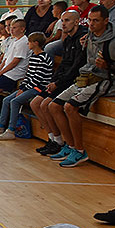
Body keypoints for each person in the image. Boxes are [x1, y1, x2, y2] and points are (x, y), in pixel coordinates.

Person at [47, 5, 115, 167]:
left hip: (105, 80)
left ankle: (80, 151)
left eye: (96, 21)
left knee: (69, 107)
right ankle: (70, 146)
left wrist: (109, 66)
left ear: (106, 21)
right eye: (89, 20)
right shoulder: (89, 35)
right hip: (86, 77)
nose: (92, 24)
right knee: (53, 106)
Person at [33, 11, 85, 156]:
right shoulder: (67, 40)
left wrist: (58, 83)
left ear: (76, 22)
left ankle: (65, 143)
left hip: (72, 80)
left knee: (48, 105)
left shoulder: (82, 39)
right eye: (62, 21)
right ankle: (54, 139)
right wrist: (53, 81)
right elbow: (63, 64)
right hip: (61, 79)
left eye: (67, 20)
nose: (63, 24)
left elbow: (76, 67)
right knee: (35, 103)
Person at [0, 32, 52, 140]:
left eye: (29, 42)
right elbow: (28, 76)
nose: (28, 44)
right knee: (6, 100)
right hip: (28, 86)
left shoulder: (43, 57)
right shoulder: (33, 57)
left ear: (35, 43)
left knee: (15, 102)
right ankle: (0, 127)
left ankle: (11, 130)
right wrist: (22, 88)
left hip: (38, 88)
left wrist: (24, 89)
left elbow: (38, 78)